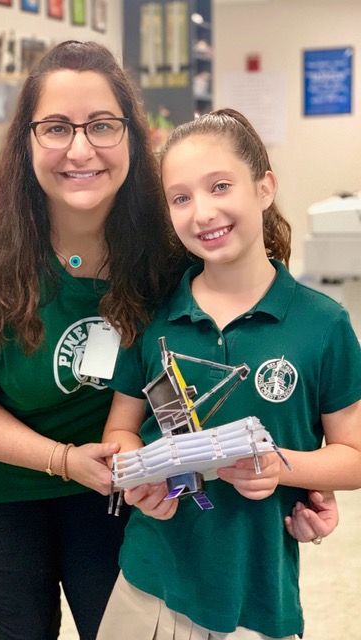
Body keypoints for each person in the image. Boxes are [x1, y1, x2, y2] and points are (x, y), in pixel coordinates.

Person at [0, 41, 338, 639]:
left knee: (108, 621)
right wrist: (61, 460)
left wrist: (299, 477)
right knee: (23, 627)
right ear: (26, 141)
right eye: (56, 127)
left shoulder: (166, 244)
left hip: (111, 467)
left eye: (103, 126)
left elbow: (235, 350)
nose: (80, 148)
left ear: (133, 139)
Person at [97, 109, 361, 640]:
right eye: (181, 198)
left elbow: (353, 458)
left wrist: (281, 468)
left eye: (220, 186)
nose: (203, 212)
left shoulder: (323, 324)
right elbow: (121, 430)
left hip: (256, 598)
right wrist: (137, 477)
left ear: (265, 187)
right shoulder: (154, 317)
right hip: (147, 584)